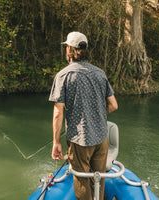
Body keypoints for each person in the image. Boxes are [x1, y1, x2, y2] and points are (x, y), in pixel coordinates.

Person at [49, 31, 118, 200]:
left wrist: (56, 142)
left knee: (82, 181)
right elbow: (114, 105)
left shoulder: (63, 76)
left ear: (70, 50)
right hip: (102, 138)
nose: (66, 49)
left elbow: (58, 112)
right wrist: (97, 115)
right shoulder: (100, 73)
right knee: (98, 179)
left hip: (79, 141)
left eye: (67, 46)